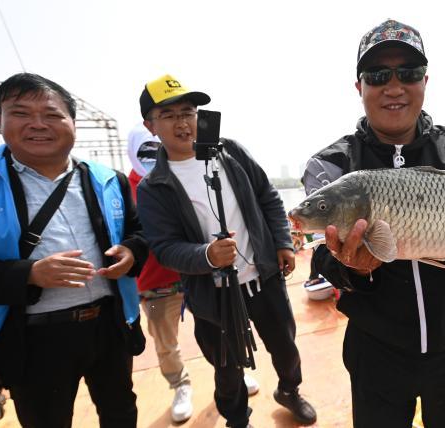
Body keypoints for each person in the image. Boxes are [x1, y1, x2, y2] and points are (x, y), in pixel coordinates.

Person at [302, 19, 445, 428]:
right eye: (377, 75)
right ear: (359, 87)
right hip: (375, 352)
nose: (394, 87)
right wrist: (351, 268)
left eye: (408, 73)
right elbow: (323, 257)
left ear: (425, 81)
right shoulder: (330, 166)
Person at [0, 73, 148, 428]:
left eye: (52, 114)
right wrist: (28, 274)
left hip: (109, 325)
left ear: (72, 123)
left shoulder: (107, 178)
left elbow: (138, 232)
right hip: (32, 337)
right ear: (0, 122)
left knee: (121, 411)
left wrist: (132, 253)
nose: (38, 124)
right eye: (20, 113)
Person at [135, 74, 317, 428]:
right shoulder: (153, 187)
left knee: (285, 346)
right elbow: (165, 247)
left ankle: (289, 391)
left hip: (263, 278)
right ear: (150, 125)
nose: (182, 122)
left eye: (188, 111)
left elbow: (268, 196)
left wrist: (281, 242)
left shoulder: (229, 151)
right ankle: (237, 418)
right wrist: (206, 256)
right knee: (226, 365)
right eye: (169, 115)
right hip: (213, 292)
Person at [126, 124, 259, 423]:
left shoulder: (188, 172)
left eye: (155, 149)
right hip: (156, 281)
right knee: (166, 341)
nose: (152, 155)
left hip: (199, 275)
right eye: (143, 151)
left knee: (218, 336)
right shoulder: (131, 188)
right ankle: (180, 386)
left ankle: (231, 379)